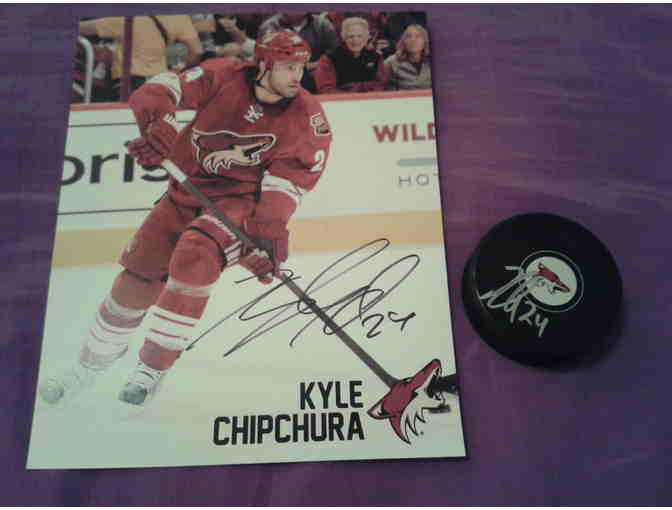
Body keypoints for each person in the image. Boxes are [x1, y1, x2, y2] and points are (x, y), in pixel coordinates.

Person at [39, 30, 332, 407]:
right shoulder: (224, 75)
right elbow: (162, 88)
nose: (297, 75)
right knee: (137, 279)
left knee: (194, 258)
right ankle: (89, 364)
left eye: (301, 67)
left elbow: (289, 183)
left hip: (240, 203)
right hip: (184, 194)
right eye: (288, 67)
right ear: (264, 64)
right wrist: (157, 123)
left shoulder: (308, 117)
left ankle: (152, 368)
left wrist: (265, 233)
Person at [79, 15, 203, 100]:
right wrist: (182, 71)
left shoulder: (126, 17)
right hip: (162, 83)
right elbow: (197, 51)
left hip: (130, 85)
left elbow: (82, 28)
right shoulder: (178, 17)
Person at [259, 12, 339, 93]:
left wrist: (316, 65)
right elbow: (264, 59)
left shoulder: (322, 24)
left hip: (318, 76)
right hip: (281, 76)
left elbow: (335, 54)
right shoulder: (269, 27)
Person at [313, 17, 387, 94]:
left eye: (359, 36)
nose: (355, 40)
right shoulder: (328, 59)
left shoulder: (376, 57)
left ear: (367, 37)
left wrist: (355, 89)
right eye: (351, 36)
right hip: (342, 100)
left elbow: (381, 85)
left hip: (370, 99)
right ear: (343, 37)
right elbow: (326, 90)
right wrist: (355, 95)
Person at [384, 24, 432, 91]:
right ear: (403, 42)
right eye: (409, 36)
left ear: (425, 42)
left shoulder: (433, 62)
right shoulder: (391, 62)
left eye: (418, 36)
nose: (413, 40)